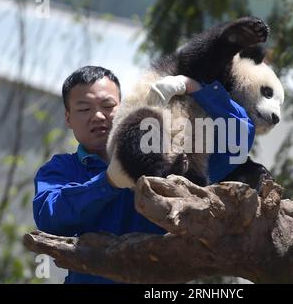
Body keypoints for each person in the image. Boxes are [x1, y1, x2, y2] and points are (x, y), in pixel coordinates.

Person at [32, 66, 255, 283]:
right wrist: (108, 182)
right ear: (68, 118)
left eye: (108, 105)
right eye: (83, 109)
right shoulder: (61, 169)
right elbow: (49, 217)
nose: (98, 116)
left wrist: (194, 87)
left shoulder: (170, 154)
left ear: (124, 106)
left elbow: (239, 138)